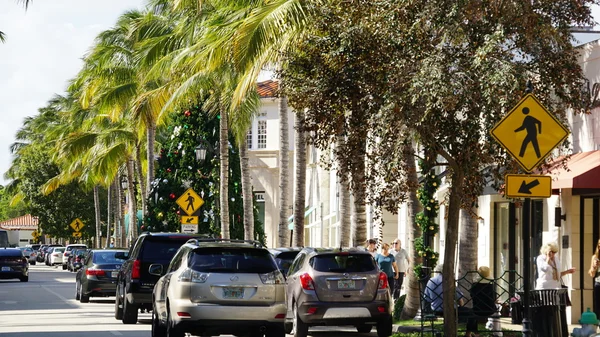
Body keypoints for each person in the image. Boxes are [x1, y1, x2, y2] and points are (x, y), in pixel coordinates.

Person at [424, 263, 479, 337]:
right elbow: (459, 298)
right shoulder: (449, 281)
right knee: (471, 313)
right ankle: (470, 334)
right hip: (450, 310)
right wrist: (461, 308)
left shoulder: (431, 281)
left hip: (435, 309)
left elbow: (427, 297)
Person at [588, 239, 600, 317]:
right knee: (598, 305)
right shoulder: (595, 257)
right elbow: (591, 274)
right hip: (598, 283)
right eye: (599, 245)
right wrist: (594, 267)